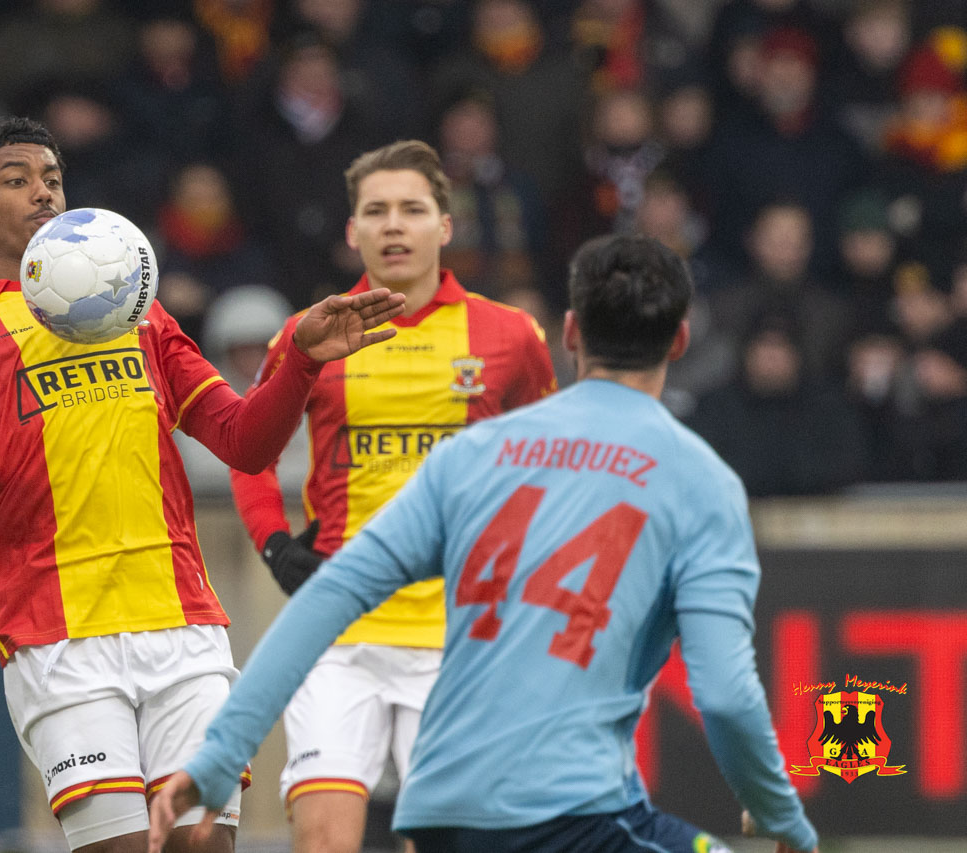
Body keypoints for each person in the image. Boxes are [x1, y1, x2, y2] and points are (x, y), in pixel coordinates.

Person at [151, 233, 820, 853]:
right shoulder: (702, 481)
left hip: (440, 809)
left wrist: (218, 757)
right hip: (570, 810)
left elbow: (326, 600)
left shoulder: (472, 455)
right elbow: (725, 693)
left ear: (570, 332)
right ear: (680, 340)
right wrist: (781, 813)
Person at [0, 115, 405, 853]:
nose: (42, 193)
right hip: (58, 635)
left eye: (52, 179)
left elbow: (244, 443)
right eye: (17, 181)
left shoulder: (140, 315)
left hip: (181, 623)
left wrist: (301, 362)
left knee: (200, 844)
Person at [228, 138, 557, 853]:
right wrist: (275, 545)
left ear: (446, 224)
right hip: (338, 630)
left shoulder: (510, 336)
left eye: (412, 208)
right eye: (376, 211)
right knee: (323, 840)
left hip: (460, 636)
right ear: (353, 231)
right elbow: (249, 453)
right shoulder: (310, 335)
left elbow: (548, 463)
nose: (394, 225)